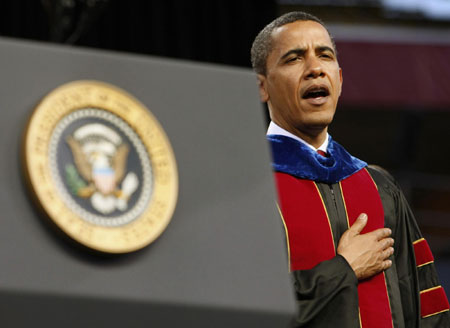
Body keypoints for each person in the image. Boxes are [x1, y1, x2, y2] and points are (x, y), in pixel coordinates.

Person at [251, 11, 449, 327]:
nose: (315, 69)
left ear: (340, 80)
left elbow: (425, 306)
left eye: (325, 56)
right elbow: (244, 304)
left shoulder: (379, 186)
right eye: (294, 59)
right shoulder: (247, 187)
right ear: (261, 87)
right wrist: (344, 269)